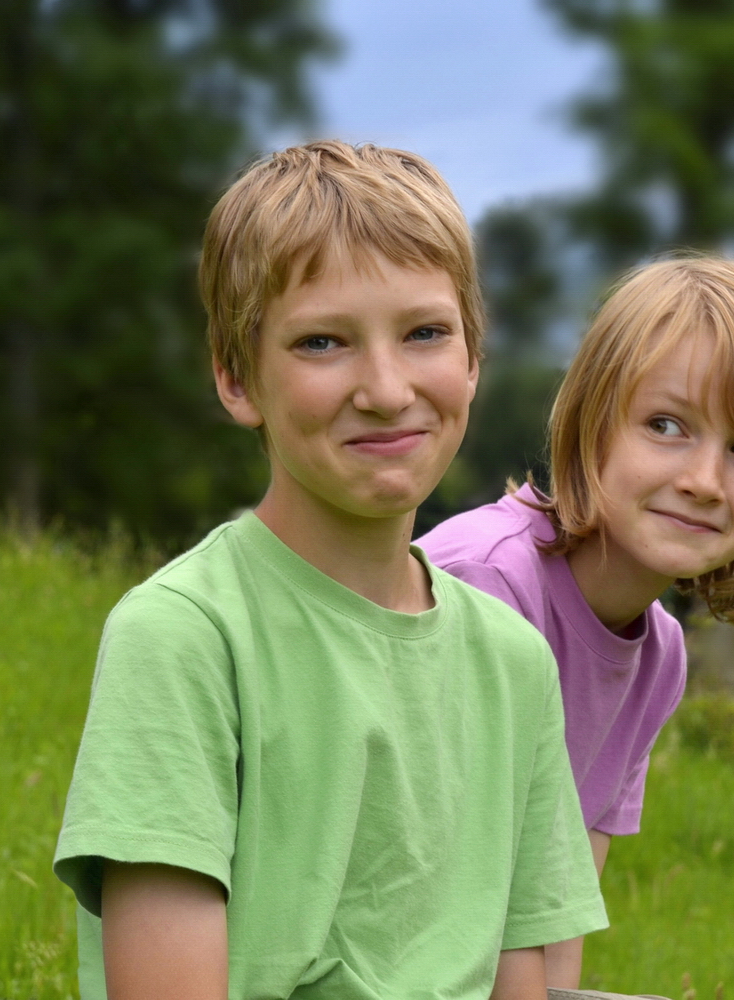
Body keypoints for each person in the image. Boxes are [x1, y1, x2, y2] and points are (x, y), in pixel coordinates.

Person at [53, 140, 607, 1000]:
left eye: (425, 333)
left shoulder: (514, 662)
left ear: (473, 359)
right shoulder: (183, 637)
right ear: (238, 381)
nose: (386, 389)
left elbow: (519, 981)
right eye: (323, 342)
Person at [418, 255, 734, 988]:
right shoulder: (485, 584)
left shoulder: (660, 659)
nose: (703, 481)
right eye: (666, 425)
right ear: (594, 422)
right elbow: (414, 884)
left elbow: (559, 903)